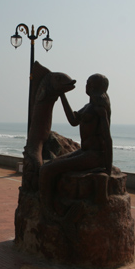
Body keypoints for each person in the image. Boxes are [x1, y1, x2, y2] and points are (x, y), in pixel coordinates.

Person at [39, 73, 113, 211]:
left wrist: (107, 169)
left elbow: (107, 138)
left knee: (47, 170)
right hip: (84, 152)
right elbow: (73, 120)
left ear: (96, 87)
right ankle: (50, 205)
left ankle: (48, 210)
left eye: (90, 83)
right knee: (48, 166)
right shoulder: (88, 107)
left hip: (94, 155)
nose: (87, 85)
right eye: (87, 82)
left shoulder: (99, 109)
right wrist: (61, 95)